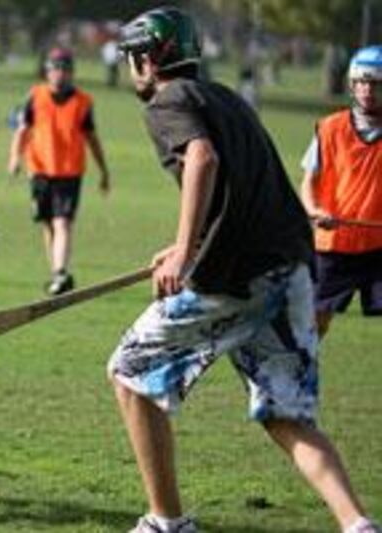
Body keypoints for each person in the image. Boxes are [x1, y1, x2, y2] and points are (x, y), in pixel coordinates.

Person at [109, 8, 380, 533]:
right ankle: (358, 525)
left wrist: (188, 251)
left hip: (237, 276)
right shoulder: (227, 98)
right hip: (294, 268)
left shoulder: (169, 100)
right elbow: (243, 191)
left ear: (150, 56)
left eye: (133, 58)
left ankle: (166, 522)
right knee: (286, 413)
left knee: (130, 374)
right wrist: (183, 244)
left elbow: (203, 160)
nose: (131, 68)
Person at [7, 47, 111, 295]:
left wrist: (103, 170)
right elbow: (22, 131)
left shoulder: (83, 102)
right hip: (40, 170)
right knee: (47, 224)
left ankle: (60, 272)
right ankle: (56, 271)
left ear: (72, 73)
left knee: (62, 222)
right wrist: (14, 157)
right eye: (55, 69)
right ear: (48, 71)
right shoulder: (35, 96)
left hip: (69, 171)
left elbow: (92, 139)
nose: (60, 74)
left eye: (65, 69)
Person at [300, 45, 382, 339]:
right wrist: (313, 210)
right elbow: (308, 182)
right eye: (361, 82)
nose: (367, 90)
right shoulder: (330, 129)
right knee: (315, 323)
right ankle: (298, 379)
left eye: (375, 83)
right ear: (351, 84)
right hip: (334, 246)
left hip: (379, 246)